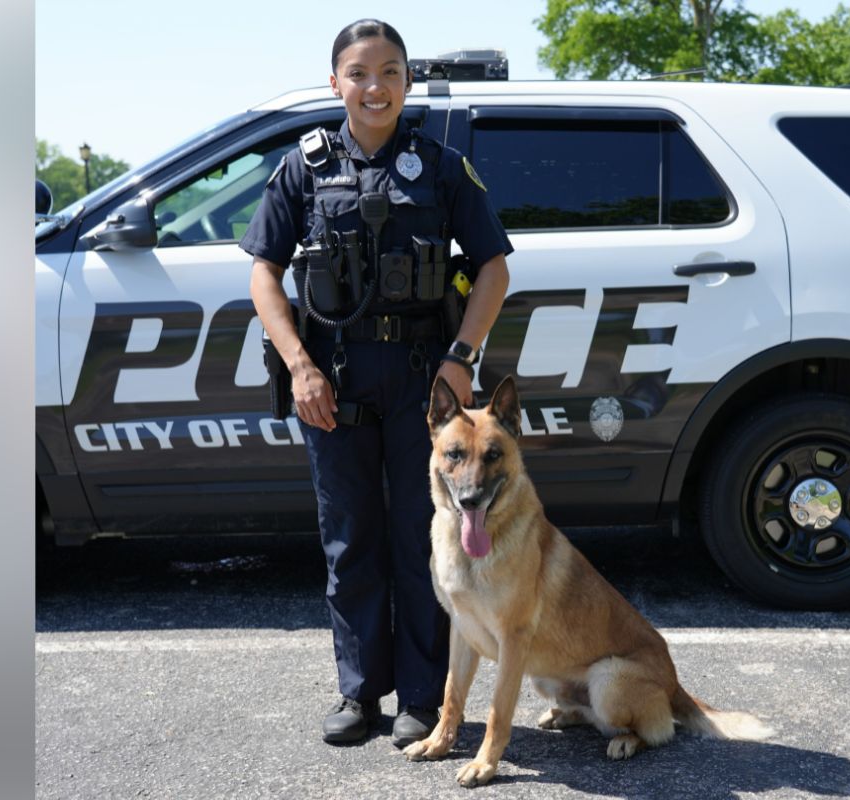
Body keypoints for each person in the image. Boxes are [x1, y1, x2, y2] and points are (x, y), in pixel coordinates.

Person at [241, 19, 512, 747]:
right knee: (348, 540)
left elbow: (493, 267)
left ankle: (422, 699)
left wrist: (459, 358)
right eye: (359, 73)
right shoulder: (302, 166)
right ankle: (361, 694)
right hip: (333, 382)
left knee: (424, 539)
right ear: (336, 83)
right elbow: (263, 271)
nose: (375, 86)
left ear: (406, 83)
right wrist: (299, 365)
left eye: (390, 71)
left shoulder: (441, 165)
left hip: (426, 387)